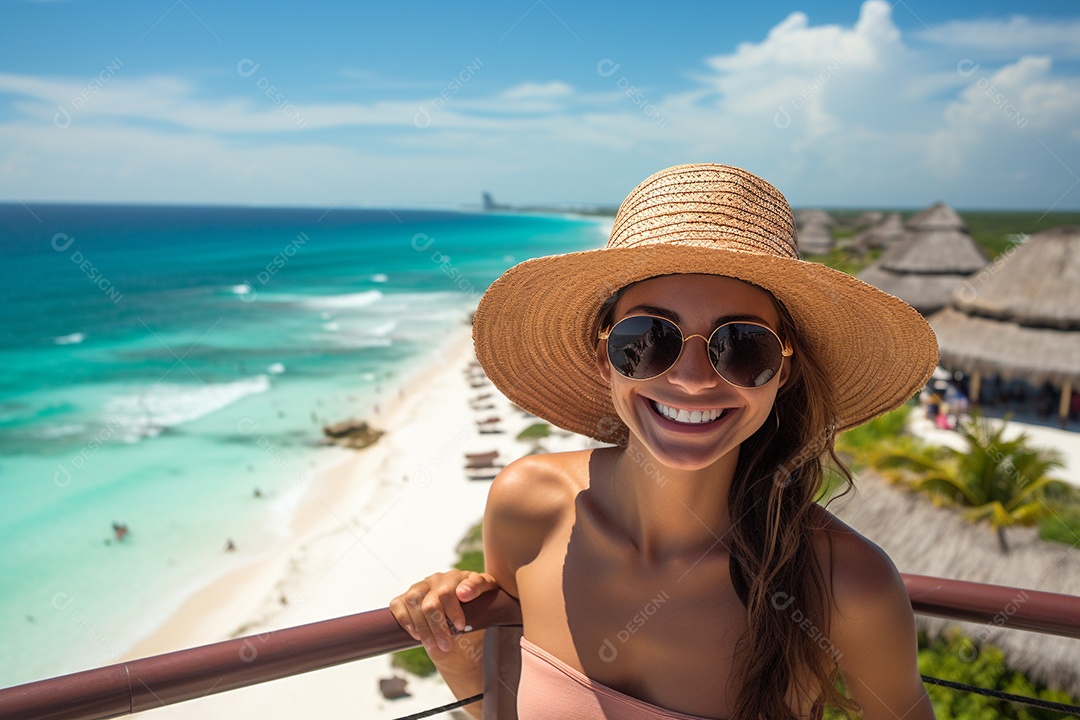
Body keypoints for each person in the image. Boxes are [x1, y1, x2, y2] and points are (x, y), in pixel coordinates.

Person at [390, 164, 938, 719]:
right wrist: (455, 647)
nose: (695, 378)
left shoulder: (847, 585)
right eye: (648, 341)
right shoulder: (526, 504)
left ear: (784, 370)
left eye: (743, 346)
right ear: (604, 359)